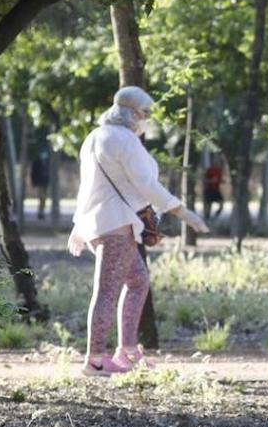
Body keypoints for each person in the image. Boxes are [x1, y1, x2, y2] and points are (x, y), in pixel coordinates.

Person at [68, 87, 209, 375]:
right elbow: (147, 185)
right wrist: (183, 212)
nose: (146, 119)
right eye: (145, 113)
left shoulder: (92, 138)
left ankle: (128, 352)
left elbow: (87, 189)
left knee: (138, 280)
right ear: (133, 113)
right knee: (108, 290)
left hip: (101, 224)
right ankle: (95, 359)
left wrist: (78, 226)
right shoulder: (124, 140)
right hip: (116, 225)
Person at [30, 148, 51, 220]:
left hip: (45, 182)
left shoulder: (47, 161)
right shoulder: (36, 162)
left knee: (44, 199)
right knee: (41, 197)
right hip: (39, 183)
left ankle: (41, 212)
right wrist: (33, 183)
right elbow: (33, 173)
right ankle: (40, 212)